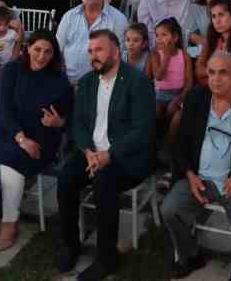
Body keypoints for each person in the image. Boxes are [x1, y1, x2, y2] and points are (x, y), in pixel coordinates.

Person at [54, 28, 156, 281]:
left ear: (116, 51)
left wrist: (109, 155)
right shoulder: (88, 82)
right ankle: (70, 244)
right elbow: (78, 124)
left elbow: (143, 130)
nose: (93, 56)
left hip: (126, 157)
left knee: (103, 181)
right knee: (66, 176)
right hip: (92, 153)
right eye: (90, 51)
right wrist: (88, 151)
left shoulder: (137, 82)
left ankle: (106, 258)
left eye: (99, 50)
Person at [161, 50, 231, 281]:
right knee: (169, 208)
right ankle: (190, 255)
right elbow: (179, 144)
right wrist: (189, 175)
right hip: (199, 180)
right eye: (211, 72)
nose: (215, 78)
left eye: (222, 73)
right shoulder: (195, 100)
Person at [0, 27, 73, 253]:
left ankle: (10, 223)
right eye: (37, 49)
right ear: (27, 48)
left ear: (54, 55)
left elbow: (69, 116)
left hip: (41, 136)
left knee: (10, 168)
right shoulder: (11, 70)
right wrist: (21, 138)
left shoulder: (59, 80)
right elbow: (5, 109)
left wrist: (59, 122)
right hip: (7, 130)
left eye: (48, 52)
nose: (41, 56)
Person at [56, 0, 129, 83]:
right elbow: (57, 49)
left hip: (101, 84)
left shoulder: (118, 19)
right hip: (67, 83)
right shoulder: (69, 16)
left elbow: (120, 56)